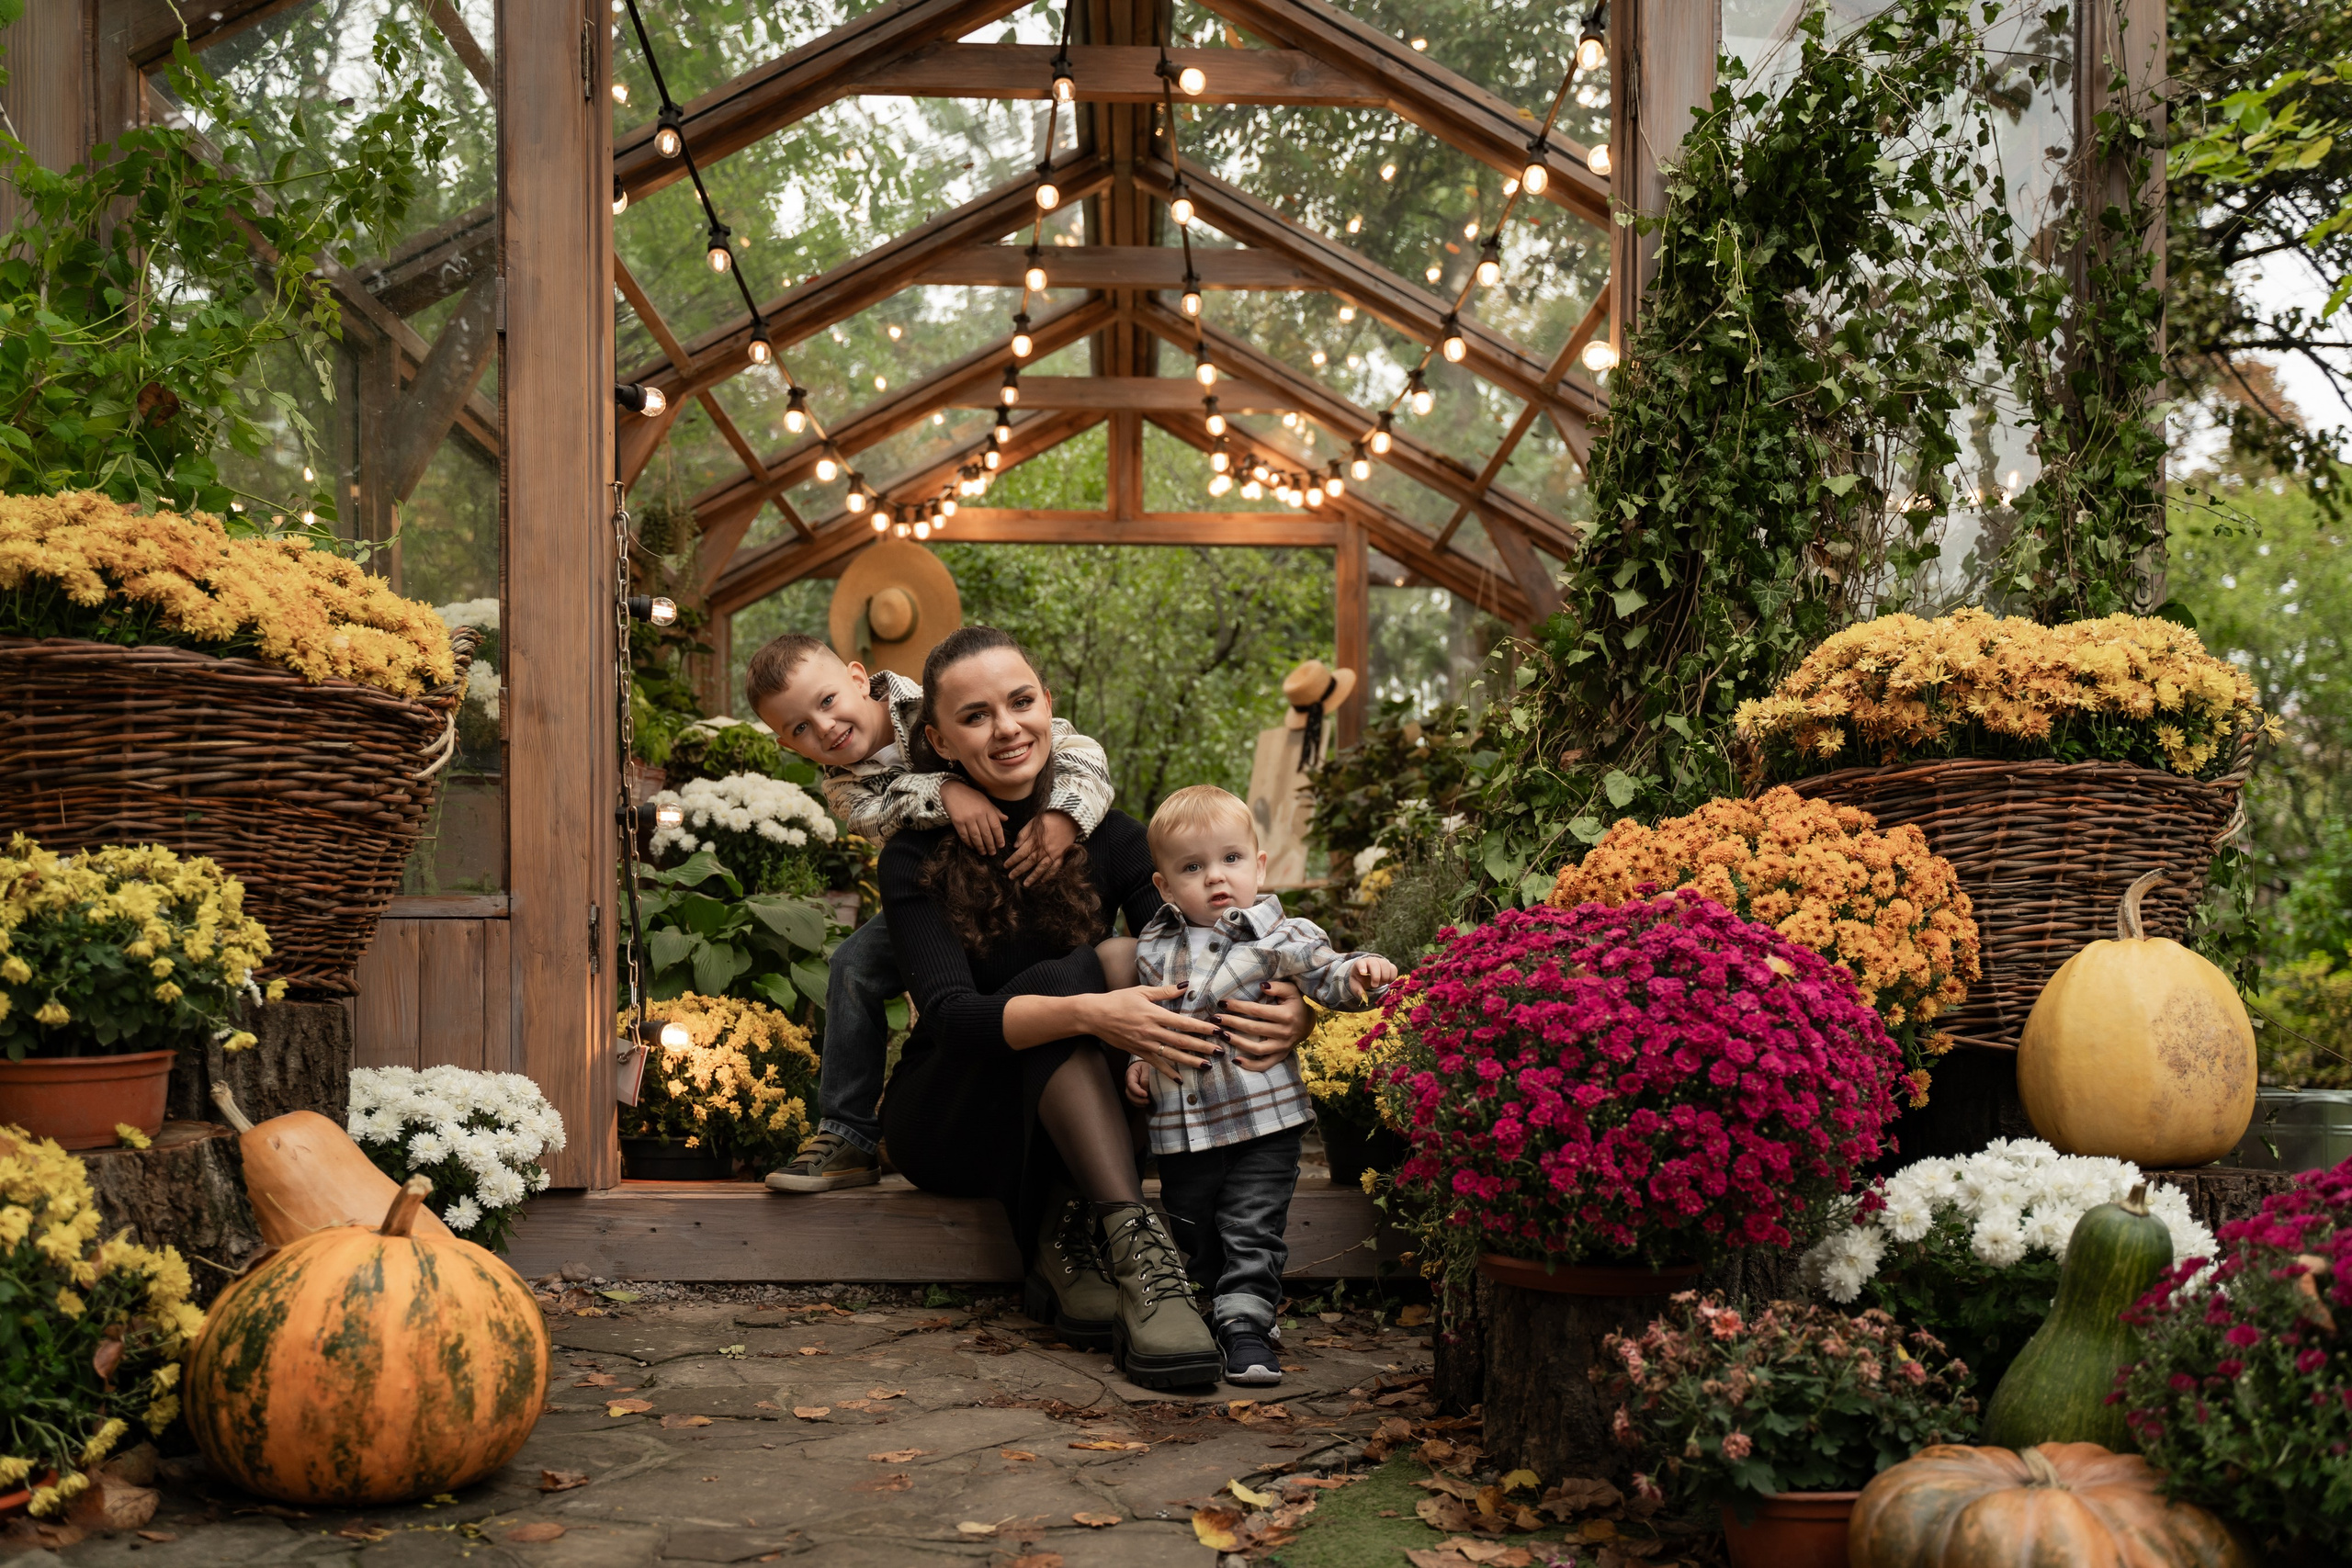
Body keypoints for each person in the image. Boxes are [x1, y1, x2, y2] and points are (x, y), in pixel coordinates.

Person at [876, 626, 1317, 1390]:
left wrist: (1297, 1010)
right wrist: (1088, 1012)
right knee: (1094, 973)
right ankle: (1141, 1249)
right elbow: (948, 1017)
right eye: (976, 716)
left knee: (1136, 960)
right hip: (955, 1110)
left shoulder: (1109, 835)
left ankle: (1073, 1230)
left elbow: (1204, 952)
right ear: (940, 740)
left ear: (1050, 705)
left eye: (1021, 702)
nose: (1007, 727)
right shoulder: (913, 853)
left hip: (1078, 1116)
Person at [743, 633, 1115, 1193]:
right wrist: (945, 791)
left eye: (825, 702)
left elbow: (1074, 747)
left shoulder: (937, 700)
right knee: (853, 965)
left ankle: (1118, 1102)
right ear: (787, 744)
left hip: (1027, 869)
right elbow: (879, 813)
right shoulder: (845, 788)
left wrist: (1065, 814)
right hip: (936, 899)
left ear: (855, 676)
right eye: (799, 729)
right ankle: (848, 1132)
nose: (824, 728)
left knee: (1099, 955)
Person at [1106, 785, 1396, 1385]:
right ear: (1163, 885)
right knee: (1190, 1226)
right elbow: (1155, 1018)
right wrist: (1140, 1059)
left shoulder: (1279, 933)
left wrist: (1362, 970)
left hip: (1264, 1122)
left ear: (1258, 865)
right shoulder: (1156, 943)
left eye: (1231, 859)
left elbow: (1327, 972)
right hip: (1182, 1131)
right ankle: (1216, 1306)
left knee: (1251, 1228)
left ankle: (1247, 1327)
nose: (1216, 877)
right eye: (1193, 866)